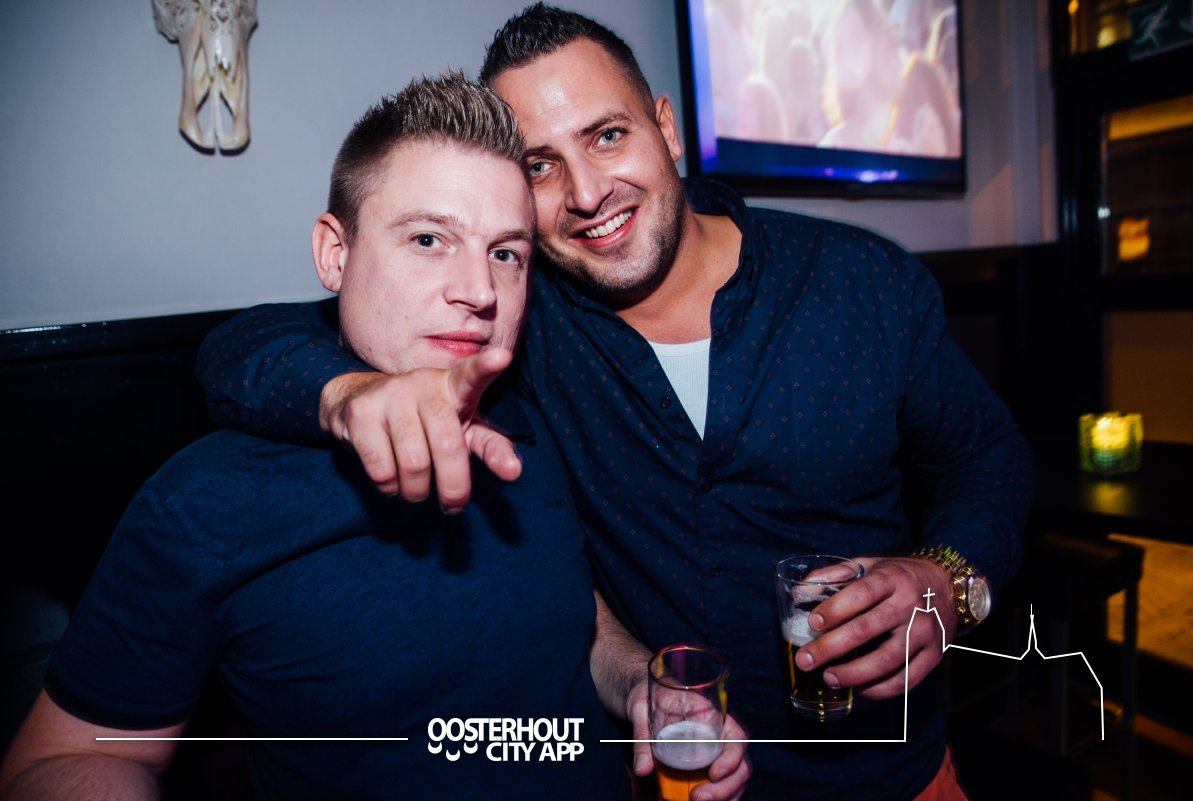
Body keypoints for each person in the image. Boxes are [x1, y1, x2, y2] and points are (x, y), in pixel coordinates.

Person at [193, 5, 1033, 799]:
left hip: (892, 775)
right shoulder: (515, 318)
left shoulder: (860, 281)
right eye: (540, 165)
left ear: (666, 127)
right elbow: (247, 346)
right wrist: (347, 393)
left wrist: (946, 577)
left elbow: (989, 454)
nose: (588, 192)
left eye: (606, 135)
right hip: (672, 779)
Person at [0, 71, 750, 801]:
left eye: (506, 253)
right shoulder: (204, 498)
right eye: (428, 238)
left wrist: (640, 683)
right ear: (336, 253)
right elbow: (61, 757)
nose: (479, 291)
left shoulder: (528, 431)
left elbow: (572, 623)